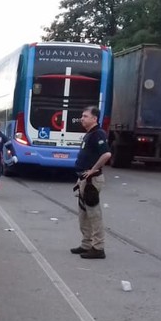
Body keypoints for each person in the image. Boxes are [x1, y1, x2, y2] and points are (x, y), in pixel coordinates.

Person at [69, 105, 111, 260]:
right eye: (82, 115)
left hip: (92, 181)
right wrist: (79, 179)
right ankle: (86, 244)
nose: (82, 118)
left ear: (94, 118)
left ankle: (98, 248)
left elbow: (106, 154)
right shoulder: (89, 134)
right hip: (84, 180)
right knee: (83, 214)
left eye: (85, 116)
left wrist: (93, 169)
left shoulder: (98, 134)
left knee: (94, 214)